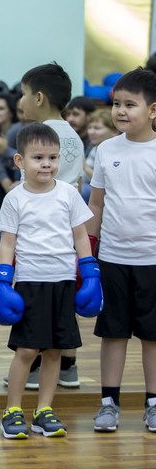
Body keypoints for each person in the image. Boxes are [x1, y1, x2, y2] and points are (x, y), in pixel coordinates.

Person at [0, 123, 98, 439]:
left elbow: (80, 235)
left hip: (63, 281)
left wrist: (90, 273)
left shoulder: (67, 193)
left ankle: (44, 410)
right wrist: (1, 281)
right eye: (38, 157)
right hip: (30, 283)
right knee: (26, 350)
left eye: (52, 158)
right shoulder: (15, 198)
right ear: (20, 161)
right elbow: (7, 242)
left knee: (55, 350)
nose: (47, 164)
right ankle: (12, 410)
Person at [87, 68, 156, 434]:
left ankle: (153, 403)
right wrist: (88, 255)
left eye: (131, 104)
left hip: (152, 260)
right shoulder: (106, 149)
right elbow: (96, 204)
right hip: (112, 258)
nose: (120, 111)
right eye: (116, 104)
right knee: (113, 333)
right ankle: (109, 402)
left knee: (152, 335)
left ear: (153, 109)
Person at [15, 62, 86, 388]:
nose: (22, 100)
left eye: (24, 94)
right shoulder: (74, 136)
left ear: (39, 97)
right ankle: (66, 365)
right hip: (67, 229)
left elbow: (27, 188)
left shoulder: (37, 138)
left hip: (39, 230)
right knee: (62, 298)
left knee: (36, 298)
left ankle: (32, 364)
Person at [82, 109, 119, 203]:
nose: (91, 132)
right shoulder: (95, 148)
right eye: (89, 127)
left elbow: (106, 183)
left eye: (97, 128)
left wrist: (84, 167)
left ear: (114, 131)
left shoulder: (114, 151)